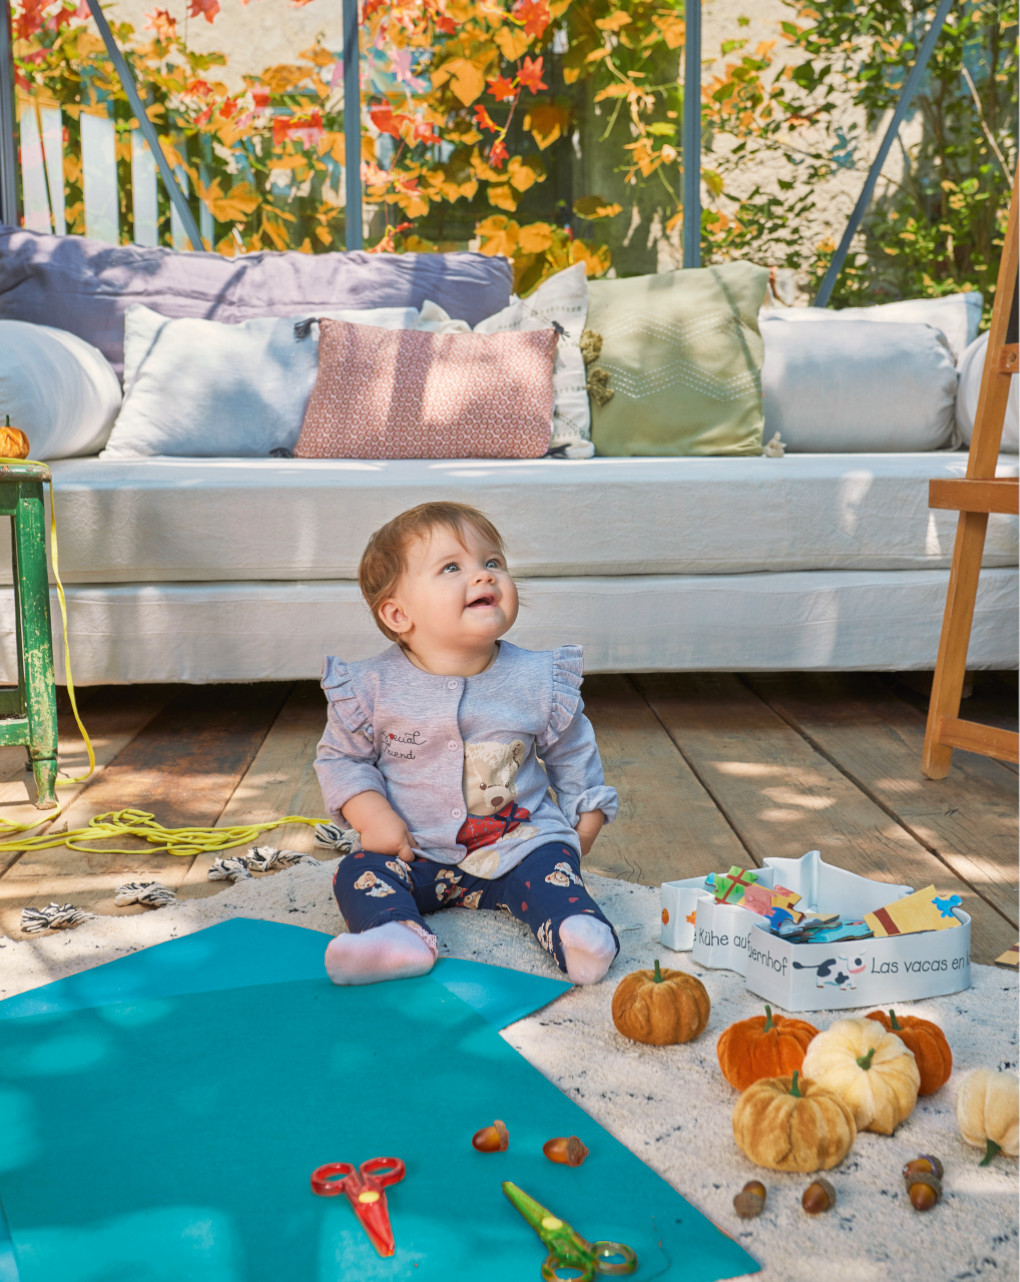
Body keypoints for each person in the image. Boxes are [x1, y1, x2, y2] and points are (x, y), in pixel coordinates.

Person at [314, 500, 620, 987]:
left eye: (493, 562)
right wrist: (373, 817)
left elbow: (571, 750)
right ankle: (397, 936)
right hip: (414, 851)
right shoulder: (371, 687)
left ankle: (575, 933)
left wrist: (584, 817)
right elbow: (343, 759)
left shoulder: (538, 678)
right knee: (358, 873)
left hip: (516, 845)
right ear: (397, 613)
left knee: (553, 871)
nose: (484, 576)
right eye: (452, 567)